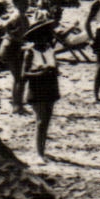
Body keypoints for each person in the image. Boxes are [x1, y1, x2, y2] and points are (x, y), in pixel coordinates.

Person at [20, 15, 61, 163]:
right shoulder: (30, 52)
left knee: (47, 119)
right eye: (41, 36)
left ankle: (42, 150)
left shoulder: (50, 50)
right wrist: (40, 72)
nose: (45, 38)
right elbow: (23, 75)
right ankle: (38, 153)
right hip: (37, 87)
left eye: (47, 35)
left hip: (50, 85)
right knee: (40, 121)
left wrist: (54, 70)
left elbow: (55, 66)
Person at [0, 0, 32, 114]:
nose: (27, 4)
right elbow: (5, 28)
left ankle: (17, 103)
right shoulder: (17, 16)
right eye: (24, 2)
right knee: (19, 78)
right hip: (11, 48)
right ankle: (17, 105)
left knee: (18, 78)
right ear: (16, 3)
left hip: (13, 47)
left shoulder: (20, 15)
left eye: (27, 2)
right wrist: (17, 39)